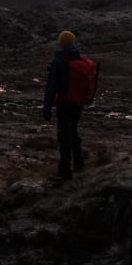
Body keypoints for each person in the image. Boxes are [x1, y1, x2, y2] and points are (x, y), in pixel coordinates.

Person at [43, 30, 85, 181]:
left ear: (61, 43)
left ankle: (65, 171)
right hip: (77, 102)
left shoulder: (59, 60)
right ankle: (79, 163)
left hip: (64, 103)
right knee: (73, 131)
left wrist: (47, 107)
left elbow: (51, 86)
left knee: (63, 135)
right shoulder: (79, 58)